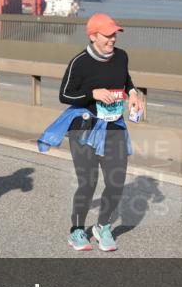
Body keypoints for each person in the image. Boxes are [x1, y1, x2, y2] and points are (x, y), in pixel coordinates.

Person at [39, 13, 142, 252]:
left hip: (114, 126)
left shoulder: (121, 57)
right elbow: (64, 94)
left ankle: (102, 226)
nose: (112, 39)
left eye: (114, 34)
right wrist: (92, 94)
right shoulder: (80, 62)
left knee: (116, 183)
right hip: (84, 127)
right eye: (107, 35)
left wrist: (134, 93)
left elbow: (125, 80)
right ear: (93, 36)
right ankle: (76, 231)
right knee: (88, 182)